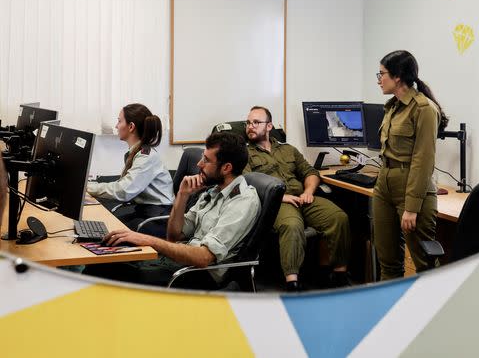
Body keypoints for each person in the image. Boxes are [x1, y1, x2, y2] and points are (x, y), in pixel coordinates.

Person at [84, 132, 260, 289]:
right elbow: (174, 236)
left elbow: (203, 258)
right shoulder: (214, 191)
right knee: (102, 261)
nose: (199, 164)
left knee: (103, 273)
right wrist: (182, 197)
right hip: (179, 261)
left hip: (196, 274)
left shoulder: (242, 201)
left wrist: (146, 240)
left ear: (226, 168)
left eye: (206, 160)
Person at [243, 105, 351, 291]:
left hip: (302, 198)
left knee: (338, 217)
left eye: (256, 122)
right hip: (277, 203)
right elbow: (247, 183)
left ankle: (338, 275)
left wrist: (308, 191)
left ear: (269, 126)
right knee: (292, 225)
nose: (250, 126)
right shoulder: (244, 153)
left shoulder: (288, 150)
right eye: (248, 123)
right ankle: (292, 282)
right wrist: (281, 197)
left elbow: (310, 172)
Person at [373, 50, 448, 280]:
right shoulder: (392, 106)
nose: (379, 79)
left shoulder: (424, 109)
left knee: (424, 265)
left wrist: (412, 207)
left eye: (382, 73)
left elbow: (423, 161)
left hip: (412, 187)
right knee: (388, 262)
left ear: (397, 77)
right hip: (384, 184)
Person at [85, 104, 173, 230]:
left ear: (131, 126)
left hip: (158, 218)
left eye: (119, 121)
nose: (116, 126)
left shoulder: (146, 157)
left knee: (109, 234)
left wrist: (87, 187)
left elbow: (123, 191)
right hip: (144, 212)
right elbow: (124, 186)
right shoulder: (137, 152)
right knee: (102, 227)